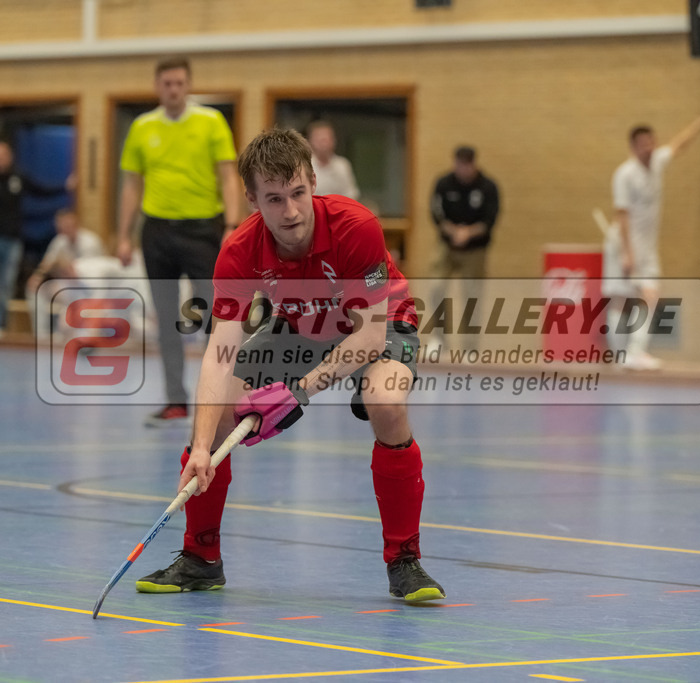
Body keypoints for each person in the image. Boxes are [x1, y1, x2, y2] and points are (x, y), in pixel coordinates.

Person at [135, 128, 444, 604]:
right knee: (215, 418)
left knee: (386, 402)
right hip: (300, 324)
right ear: (252, 198)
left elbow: (368, 336)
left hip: (378, 322)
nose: (291, 211)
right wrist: (200, 447)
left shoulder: (356, 226)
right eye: (274, 199)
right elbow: (220, 353)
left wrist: (298, 390)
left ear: (313, 181)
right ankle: (201, 559)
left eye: (298, 193)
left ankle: (405, 560)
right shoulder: (239, 252)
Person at [116, 55, 243, 427]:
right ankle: (175, 399)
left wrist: (232, 225)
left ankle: (214, 397)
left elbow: (228, 176)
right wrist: (123, 235)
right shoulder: (142, 127)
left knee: (213, 318)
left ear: (188, 85)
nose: (173, 89)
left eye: (179, 83)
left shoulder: (211, 122)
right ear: (158, 87)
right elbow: (131, 184)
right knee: (167, 318)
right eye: (166, 83)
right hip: (156, 230)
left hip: (204, 229)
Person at [604, 112, 700, 370]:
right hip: (623, 244)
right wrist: (627, 254)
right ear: (633, 147)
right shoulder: (624, 174)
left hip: (647, 246)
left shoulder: (657, 162)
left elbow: (678, 145)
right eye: (643, 144)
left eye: (651, 142)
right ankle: (620, 354)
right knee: (620, 300)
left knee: (651, 295)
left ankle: (635, 352)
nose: (649, 148)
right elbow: (621, 214)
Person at [0, 140, 75, 340]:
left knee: (4, 285)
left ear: (9, 157)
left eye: (1, 156)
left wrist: (65, 187)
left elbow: (41, 191)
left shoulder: (18, 178)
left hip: (12, 242)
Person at [428, 145, 500, 355]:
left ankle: (469, 347)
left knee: (472, 295)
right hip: (447, 246)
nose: (463, 170)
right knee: (436, 287)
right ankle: (439, 339)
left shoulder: (487, 187)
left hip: (475, 250)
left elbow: (490, 219)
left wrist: (468, 233)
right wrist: (453, 231)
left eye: (467, 165)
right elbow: (435, 213)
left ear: (473, 164)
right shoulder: (444, 184)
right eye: (459, 165)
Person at [25, 207, 105, 340]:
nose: (63, 228)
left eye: (67, 224)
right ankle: (41, 336)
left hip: (89, 289)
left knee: (72, 296)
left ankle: (74, 332)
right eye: (60, 225)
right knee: (35, 289)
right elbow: (46, 264)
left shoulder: (90, 242)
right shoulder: (59, 241)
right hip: (67, 287)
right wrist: (37, 277)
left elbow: (91, 276)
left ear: (75, 223)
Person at [306, 120, 360, 199]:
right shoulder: (304, 166)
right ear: (310, 141)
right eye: (319, 139)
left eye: (326, 138)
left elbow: (351, 194)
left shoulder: (343, 165)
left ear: (334, 140)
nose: (323, 143)